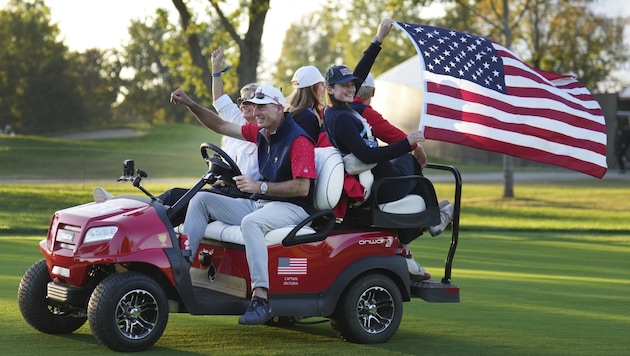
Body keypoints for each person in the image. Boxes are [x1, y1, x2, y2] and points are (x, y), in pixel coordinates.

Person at [171, 84, 317, 325]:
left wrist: (260, 187)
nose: (256, 112)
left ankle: (261, 298)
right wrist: (189, 103)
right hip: (264, 203)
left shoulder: (299, 139)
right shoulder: (263, 132)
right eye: (255, 106)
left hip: (294, 207)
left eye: (262, 107)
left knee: (251, 223)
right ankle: (181, 269)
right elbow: (220, 125)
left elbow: (303, 188)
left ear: (279, 108)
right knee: (201, 200)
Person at [321, 19, 452, 281]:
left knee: (409, 164)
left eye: (351, 85)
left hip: (376, 175)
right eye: (344, 85)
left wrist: (377, 40)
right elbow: (367, 155)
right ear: (330, 90)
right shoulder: (343, 117)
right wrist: (407, 142)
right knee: (418, 177)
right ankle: (430, 223)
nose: (349, 88)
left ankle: (418, 233)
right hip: (380, 184)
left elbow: (362, 68)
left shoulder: (338, 107)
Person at [151, 47, 262, 225]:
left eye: (250, 100)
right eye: (241, 100)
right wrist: (216, 68)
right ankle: (131, 210)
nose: (243, 104)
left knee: (181, 202)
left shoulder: (262, 131)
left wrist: (189, 102)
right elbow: (219, 100)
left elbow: (217, 124)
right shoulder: (237, 118)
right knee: (173, 195)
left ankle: (143, 223)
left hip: (240, 194)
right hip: (222, 187)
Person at [352, 73, 454, 237]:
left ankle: (432, 211)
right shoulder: (363, 113)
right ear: (373, 93)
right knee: (409, 160)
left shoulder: (331, 113)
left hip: (358, 183)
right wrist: (417, 148)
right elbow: (395, 136)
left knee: (405, 165)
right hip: (377, 187)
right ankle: (434, 217)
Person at [284, 65, 325, 141]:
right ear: (313, 88)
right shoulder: (308, 118)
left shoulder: (287, 113)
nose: (323, 89)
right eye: (321, 85)